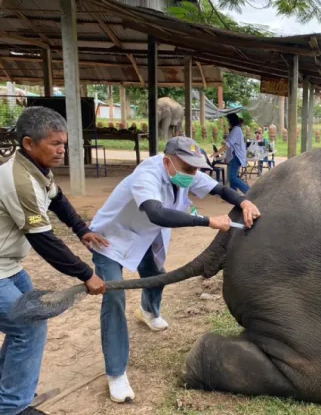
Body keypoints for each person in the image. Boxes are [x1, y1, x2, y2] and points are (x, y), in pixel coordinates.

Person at [88, 136, 261, 403]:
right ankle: (116, 373)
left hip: (145, 237)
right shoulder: (147, 174)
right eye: (188, 168)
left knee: (157, 276)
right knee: (114, 298)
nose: (193, 174)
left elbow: (219, 189)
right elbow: (157, 213)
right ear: (168, 161)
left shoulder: (186, 173)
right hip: (112, 238)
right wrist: (207, 220)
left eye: (196, 169)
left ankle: (148, 310)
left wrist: (243, 202)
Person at [0, 106, 107, 415]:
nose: (62, 150)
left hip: (9, 267)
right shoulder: (19, 181)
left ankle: (8, 393)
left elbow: (57, 197)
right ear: (29, 143)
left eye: (64, 143)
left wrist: (82, 229)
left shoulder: (37, 170)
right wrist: (87, 274)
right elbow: (44, 241)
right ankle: (12, 408)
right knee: (28, 328)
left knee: (26, 325)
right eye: (54, 144)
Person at [211, 113, 249, 194]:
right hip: (234, 156)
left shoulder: (236, 130)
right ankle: (233, 195)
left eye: (228, 120)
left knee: (232, 177)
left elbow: (228, 145)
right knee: (233, 177)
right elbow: (229, 144)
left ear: (231, 121)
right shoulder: (236, 129)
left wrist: (217, 153)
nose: (228, 122)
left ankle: (248, 191)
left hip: (236, 156)